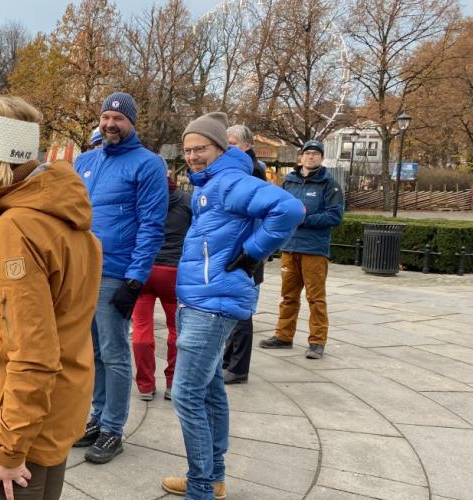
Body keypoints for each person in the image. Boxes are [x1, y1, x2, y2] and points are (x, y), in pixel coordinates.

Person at [0, 95, 101, 500]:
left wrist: (8, 448)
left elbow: (33, 351)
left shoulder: (16, 229)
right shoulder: (61, 216)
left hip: (8, 428)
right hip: (48, 419)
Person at [160, 112, 304, 500]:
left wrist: (252, 252)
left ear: (221, 148)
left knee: (187, 394)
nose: (192, 157)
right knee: (209, 392)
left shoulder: (229, 181)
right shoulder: (214, 183)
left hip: (212, 305)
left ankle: (201, 487)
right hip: (203, 300)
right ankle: (213, 478)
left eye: (200, 149)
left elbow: (290, 209)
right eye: (188, 150)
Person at [73, 91, 168, 464]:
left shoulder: (147, 165)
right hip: (82, 272)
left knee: (114, 353)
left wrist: (135, 279)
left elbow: (151, 225)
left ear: (131, 123)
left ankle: (113, 428)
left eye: (119, 119)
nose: (111, 124)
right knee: (92, 352)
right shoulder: (84, 161)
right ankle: (97, 417)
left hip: (116, 272)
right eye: (105, 117)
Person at [260, 139, 344, 359]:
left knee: (316, 298)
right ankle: (283, 336)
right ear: (301, 157)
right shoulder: (289, 181)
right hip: (290, 247)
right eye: (307, 153)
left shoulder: (330, 185)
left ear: (322, 158)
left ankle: (317, 341)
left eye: (316, 154)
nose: (311, 157)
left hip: (314, 250)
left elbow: (335, 216)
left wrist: (304, 217)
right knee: (288, 296)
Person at [130, 176, 191, 402]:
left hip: (143, 270)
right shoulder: (186, 200)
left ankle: (145, 385)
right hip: (174, 272)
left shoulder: (140, 201)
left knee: (141, 327)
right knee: (176, 330)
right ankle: (172, 383)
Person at [221, 124, 269, 384]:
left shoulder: (252, 171)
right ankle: (229, 361)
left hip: (247, 253)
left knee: (241, 312)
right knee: (232, 309)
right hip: (237, 250)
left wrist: (254, 252)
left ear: (247, 145)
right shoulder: (237, 169)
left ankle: (238, 367)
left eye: (231, 143)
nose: (226, 148)